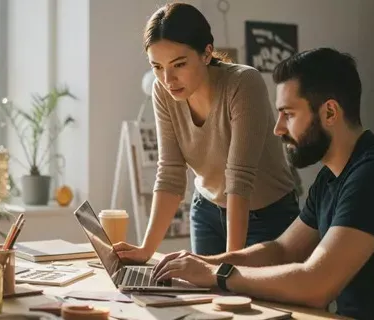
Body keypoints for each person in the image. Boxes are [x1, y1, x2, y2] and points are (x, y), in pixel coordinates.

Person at [148, 48, 374, 320]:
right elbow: (282, 250)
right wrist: (199, 263)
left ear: (329, 112)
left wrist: (218, 274)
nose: (278, 129)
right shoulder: (332, 176)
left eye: (288, 115)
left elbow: (315, 284)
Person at [114, 2, 302, 262]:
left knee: (248, 298)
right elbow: (170, 172)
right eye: (157, 67)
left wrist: (228, 265)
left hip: (267, 215)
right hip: (207, 211)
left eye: (179, 64)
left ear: (206, 53)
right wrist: (146, 250)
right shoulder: (163, 92)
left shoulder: (243, 84)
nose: (168, 79)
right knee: (206, 298)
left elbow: (239, 179)